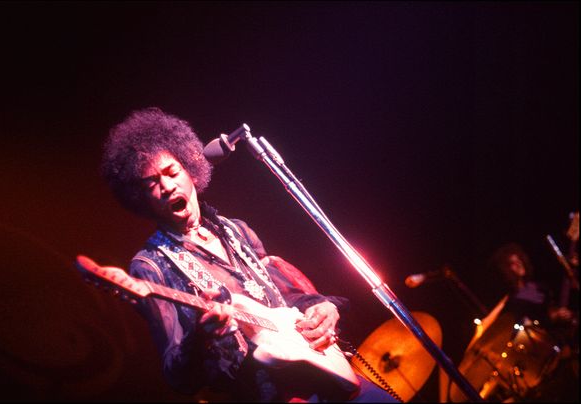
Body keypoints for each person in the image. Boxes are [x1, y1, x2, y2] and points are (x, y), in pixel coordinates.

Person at [100, 107, 399, 402]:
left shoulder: (237, 231)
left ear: (190, 170)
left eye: (171, 172)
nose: (166, 186)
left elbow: (284, 301)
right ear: (140, 198)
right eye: (151, 183)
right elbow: (178, 378)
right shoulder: (150, 265)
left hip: (323, 374)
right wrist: (203, 336)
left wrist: (325, 308)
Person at [450, 242, 578, 402]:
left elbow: (546, 312)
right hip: (528, 359)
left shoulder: (537, 286)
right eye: (511, 263)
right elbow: (490, 327)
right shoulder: (511, 300)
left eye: (518, 260)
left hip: (557, 345)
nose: (517, 264)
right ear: (505, 270)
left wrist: (559, 313)